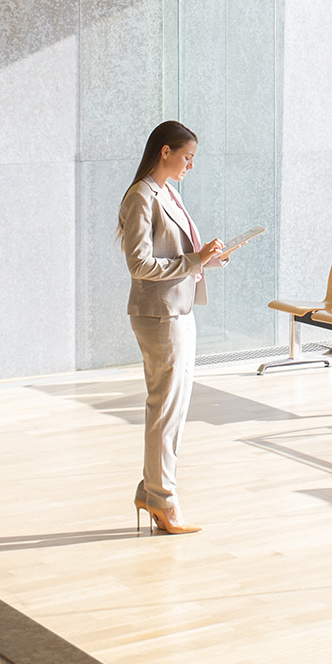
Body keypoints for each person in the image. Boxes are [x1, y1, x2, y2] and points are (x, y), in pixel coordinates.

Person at [118, 120, 227, 535]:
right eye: (187, 157)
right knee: (165, 409)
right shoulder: (141, 197)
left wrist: (210, 258)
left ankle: (153, 493)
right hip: (159, 315)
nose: (190, 166)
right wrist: (195, 261)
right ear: (165, 152)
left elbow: (182, 254)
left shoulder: (169, 195)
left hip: (179, 309)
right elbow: (140, 264)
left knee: (173, 409)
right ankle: (162, 499)